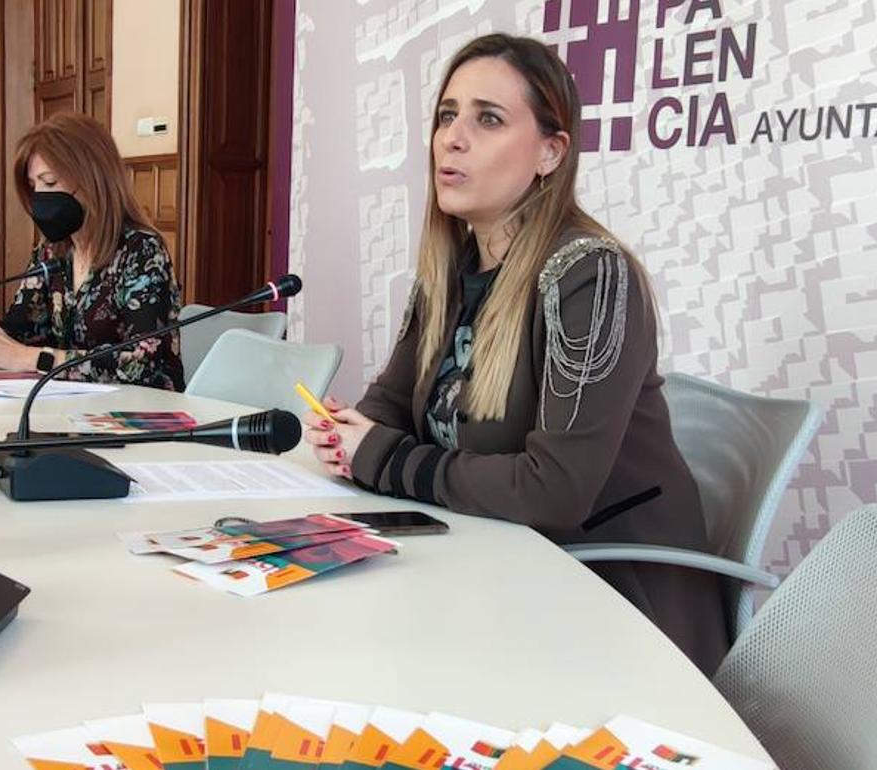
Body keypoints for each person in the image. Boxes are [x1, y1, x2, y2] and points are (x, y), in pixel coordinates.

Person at [303, 34, 728, 673]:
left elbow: (552, 492)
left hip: (613, 608)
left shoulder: (591, 277)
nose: (453, 139)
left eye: (489, 120)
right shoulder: (449, 271)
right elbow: (388, 406)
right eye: (447, 115)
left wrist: (382, 457)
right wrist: (349, 437)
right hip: (490, 572)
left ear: (550, 152)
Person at [0, 113, 184, 391]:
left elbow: (142, 362)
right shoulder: (51, 250)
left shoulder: (142, 249)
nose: (40, 197)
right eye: (33, 187)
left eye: (49, 182)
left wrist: (33, 359)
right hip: (70, 405)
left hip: (143, 408)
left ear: (92, 178)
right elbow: (22, 331)